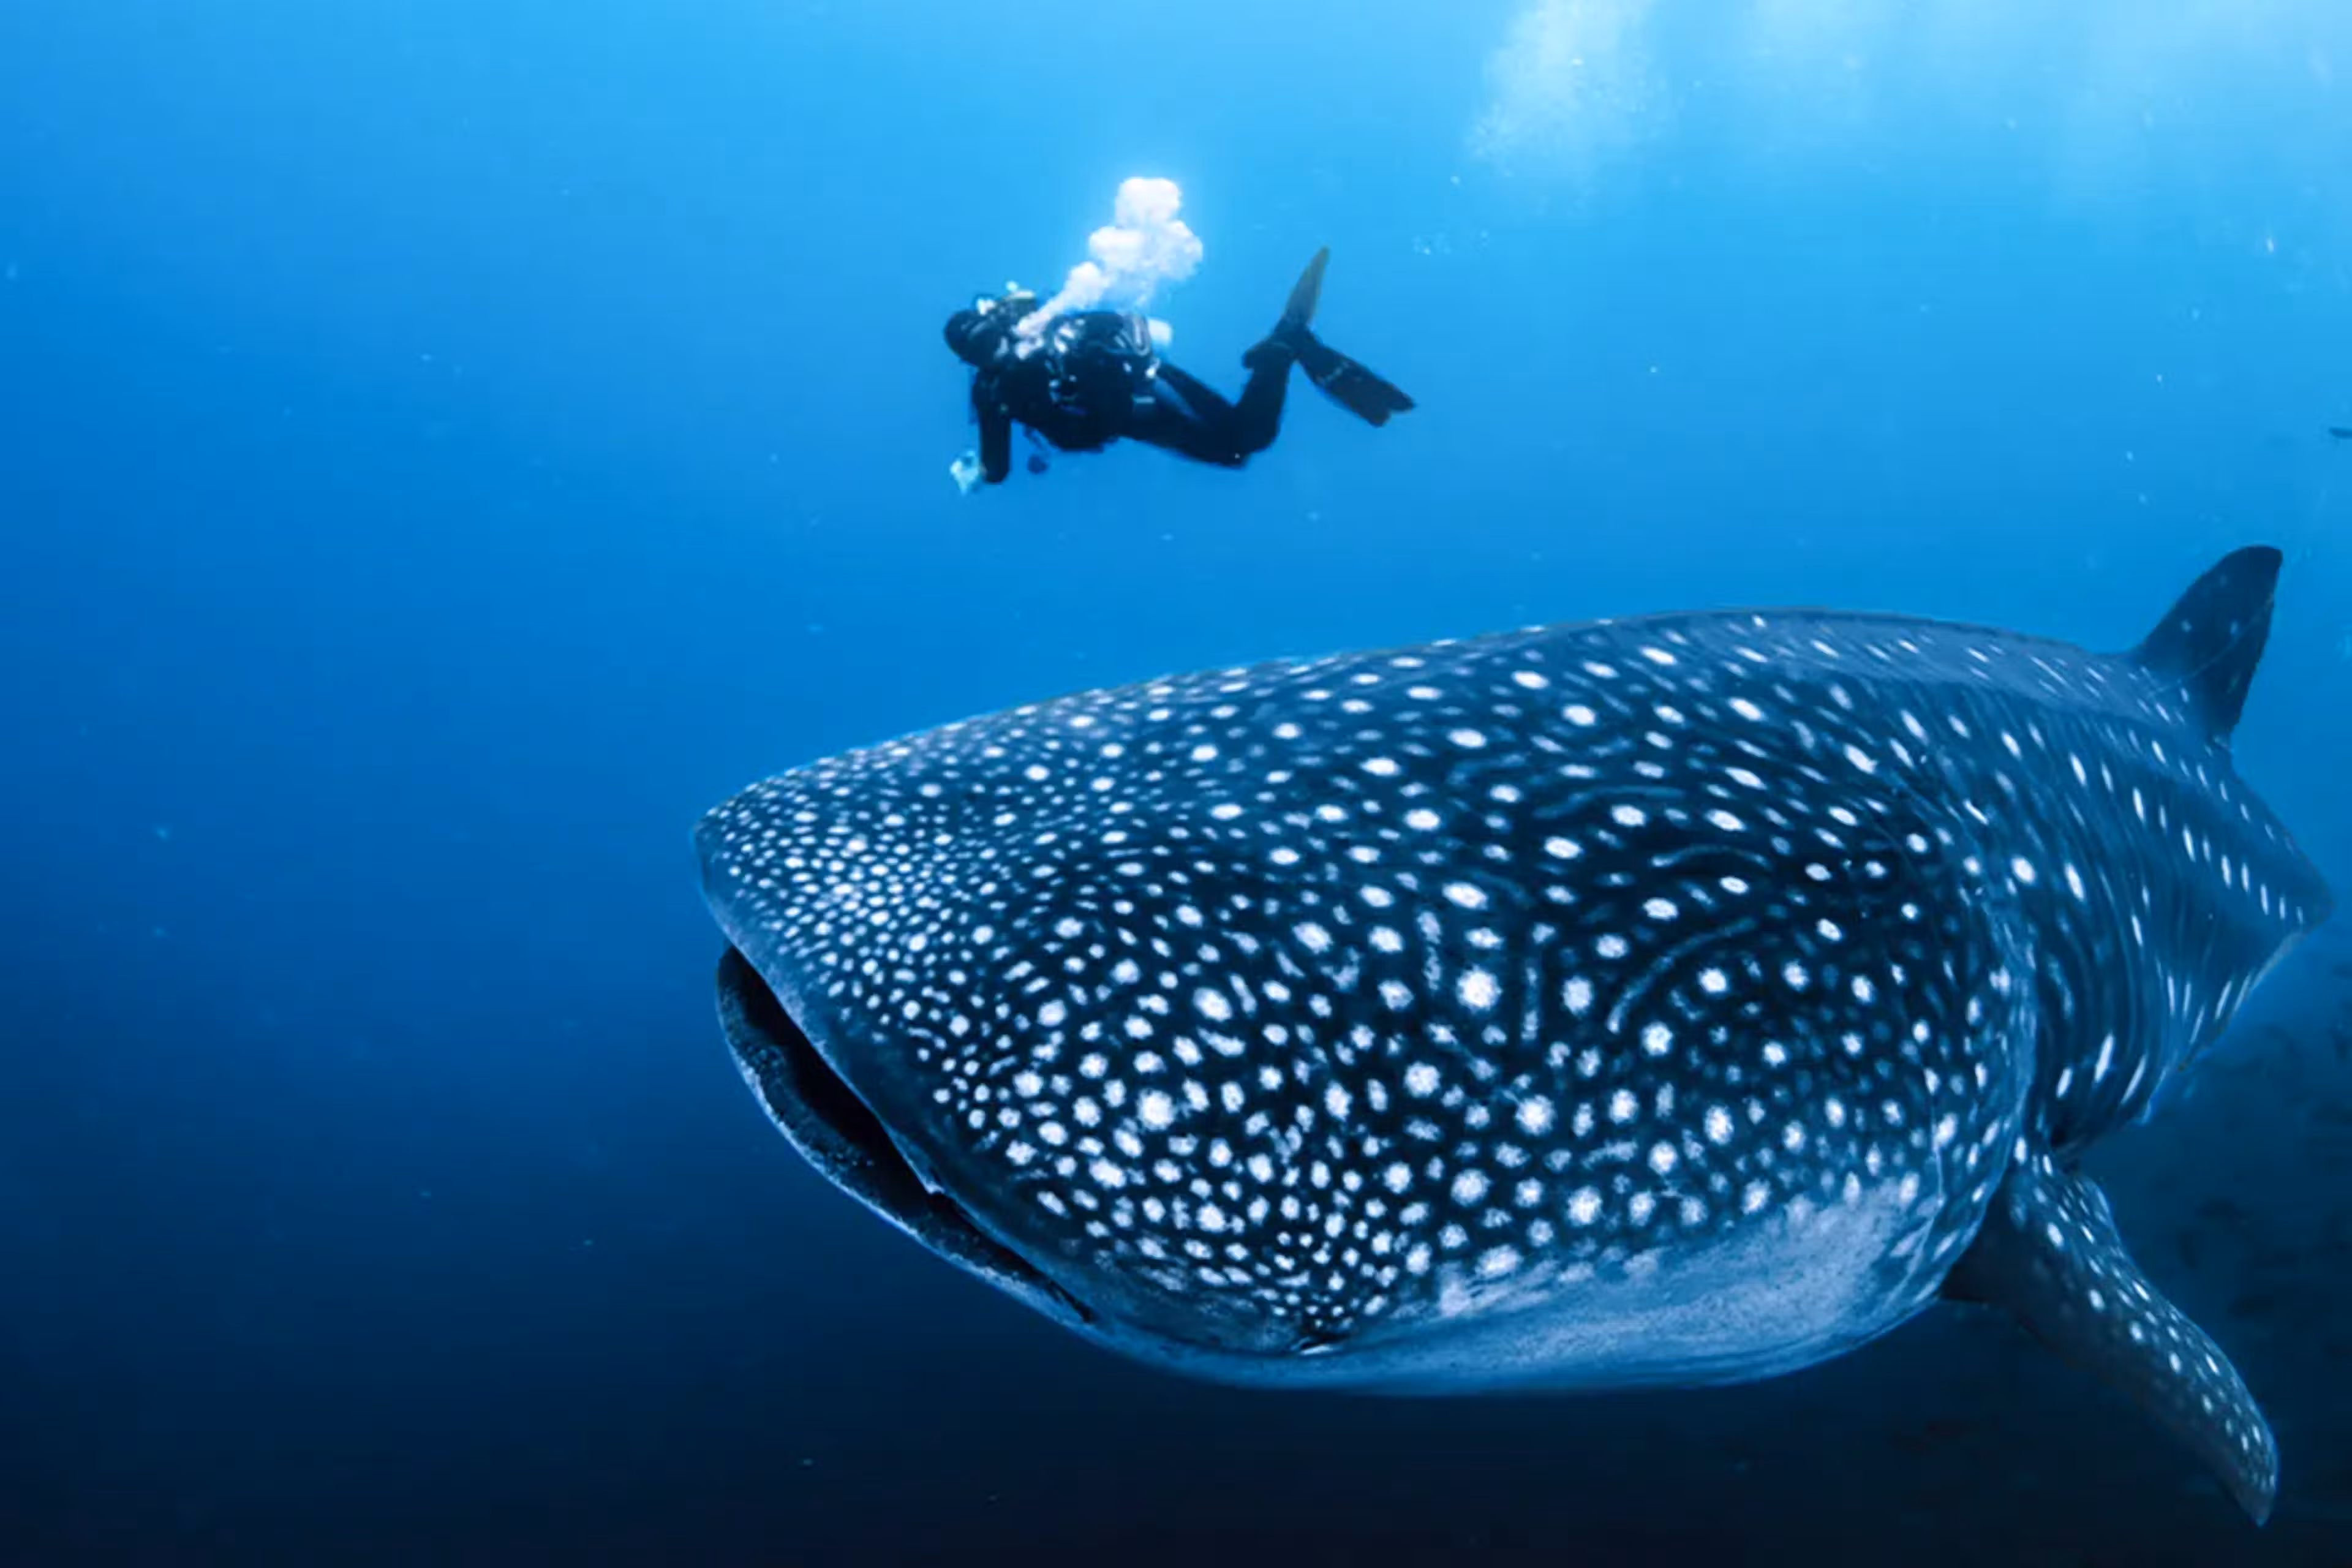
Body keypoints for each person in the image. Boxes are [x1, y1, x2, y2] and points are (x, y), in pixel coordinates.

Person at [942, 249, 1414, 489]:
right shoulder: (1006, 373)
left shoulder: (1001, 377)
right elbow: (1000, 465)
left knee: (1247, 441)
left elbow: (997, 470)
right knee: (1239, 450)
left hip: (1143, 395)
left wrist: (972, 476)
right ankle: (1284, 347)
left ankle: (1282, 346)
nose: (994, 354)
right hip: (1142, 403)